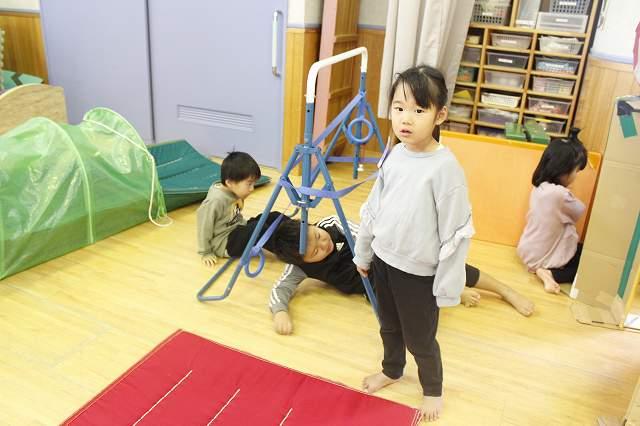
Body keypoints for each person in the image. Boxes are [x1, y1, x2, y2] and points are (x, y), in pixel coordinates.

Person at [353, 65, 473, 422]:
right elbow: (374, 207)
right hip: (384, 261)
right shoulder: (395, 154)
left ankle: (432, 389)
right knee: (388, 324)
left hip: (418, 273)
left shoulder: (445, 168)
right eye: (399, 107)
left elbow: (456, 232)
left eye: (419, 110)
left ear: (440, 115)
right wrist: (363, 252)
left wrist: (447, 287)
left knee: (420, 338)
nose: (406, 118)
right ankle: (391, 369)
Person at [267, 216, 533, 335]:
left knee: (434, 264)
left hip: (382, 256)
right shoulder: (298, 267)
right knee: (399, 307)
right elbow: (279, 289)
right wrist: (280, 312)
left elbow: (367, 238)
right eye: (314, 252)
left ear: (311, 224)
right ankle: (448, 290)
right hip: (371, 285)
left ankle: (504, 290)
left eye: (317, 236)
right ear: (302, 261)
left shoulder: (331, 224)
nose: (322, 244)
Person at [517, 131, 588, 294]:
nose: (576, 176)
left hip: (528, 249)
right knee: (584, 263)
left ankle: (540, 269)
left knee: (578, 248)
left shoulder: (540, 187)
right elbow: (579, 210)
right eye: (576, 171)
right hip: (543, 254)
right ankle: (549, 273)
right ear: (562, 170)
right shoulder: (560, 195)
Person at [196, 151, 279, 265]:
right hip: (225, 243)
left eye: (253, 184)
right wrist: (206, 252)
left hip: (237, 229)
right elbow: (204, 227)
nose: (252, 188)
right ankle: (290, 249)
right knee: (259, 228)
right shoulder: (215, 200)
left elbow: (235, 216)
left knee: (273, 216)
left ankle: (298, 233)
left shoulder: (234, 190)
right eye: (249, 184)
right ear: (229, 182)